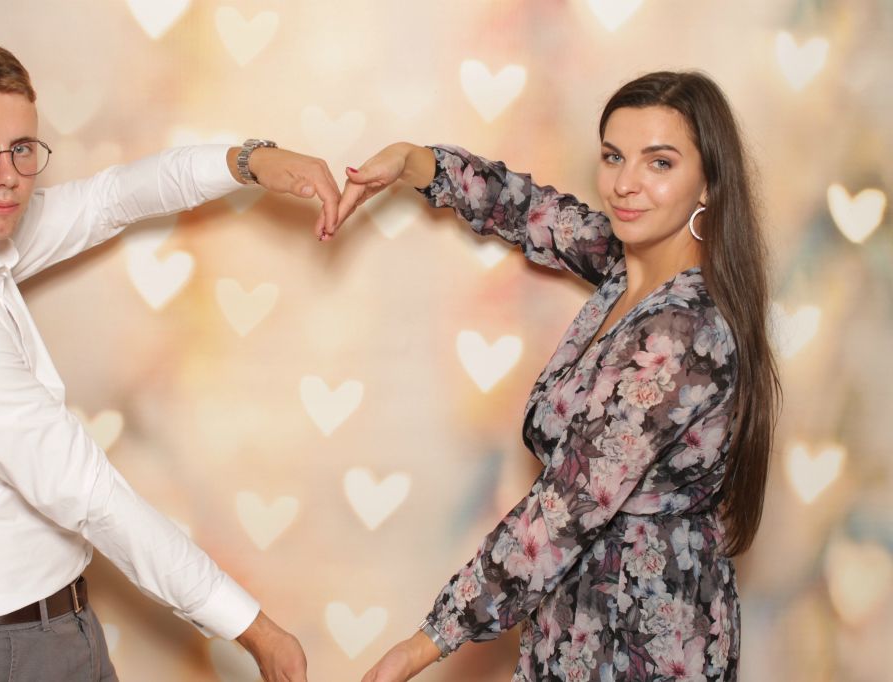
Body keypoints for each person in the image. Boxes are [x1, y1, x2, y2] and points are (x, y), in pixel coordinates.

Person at [0, 35, 341, 681]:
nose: (6, 176)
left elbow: (109, 199)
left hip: (57, 629)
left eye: (21, 148)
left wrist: (248, 161)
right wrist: (254, 629)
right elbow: (89, 493)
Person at [325, 71, 780, 681]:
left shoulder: (681, 333)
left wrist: (423, 643)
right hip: (578, 617)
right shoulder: (630, 269)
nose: (625, 184)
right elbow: (534, 213)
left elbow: (565, 508)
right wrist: (417, 162)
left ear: (708, 183)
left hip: (646, 640)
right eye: (613, 156)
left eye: (660, 163)